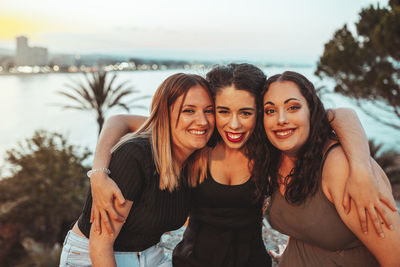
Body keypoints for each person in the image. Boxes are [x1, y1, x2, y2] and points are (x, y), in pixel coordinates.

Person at [88, 65, 396, 267]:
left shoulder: (270, 150)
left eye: (246, 113)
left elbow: (338, 115)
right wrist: (99, 172)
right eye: (222, 111)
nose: (233, 124)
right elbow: (120, 120)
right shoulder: (199, 142)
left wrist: (360, 167)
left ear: (260, 113)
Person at [59, 73, 215, 267]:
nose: (202, 121)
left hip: (152, 256)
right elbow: (99, 246)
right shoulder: (136, 156)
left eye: (209, 111)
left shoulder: (195, 156)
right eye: (189, 111)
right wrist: (98, 172)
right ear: (165, 115)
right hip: (94, 259)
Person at [263, 71, 400, 266]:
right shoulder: (274, 159)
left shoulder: (339, 166)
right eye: (270, 111)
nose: (281, 119)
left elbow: (395, 257)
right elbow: (311, 222)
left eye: (293, 107)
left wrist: (361, 168)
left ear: (311, 111)